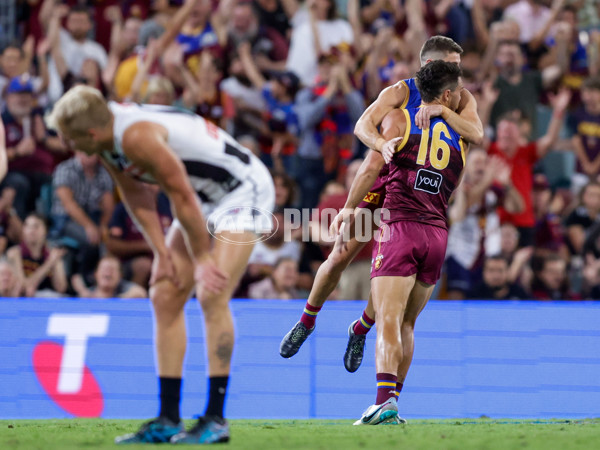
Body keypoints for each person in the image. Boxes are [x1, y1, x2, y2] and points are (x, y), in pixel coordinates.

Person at [47, 85, 274, 444]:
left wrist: (201, 259)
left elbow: (179, 194)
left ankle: (215, 418)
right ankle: (168, 417)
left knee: (212, 292)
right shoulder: (104, 136)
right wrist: (161, 252)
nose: (67, 146)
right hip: (202, 194)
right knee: (165, 294)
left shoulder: (136, 136)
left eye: (70, 139)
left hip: (242, 189)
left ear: (89, 134)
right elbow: (136, 193)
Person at [280, 36, 483, 373]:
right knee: (339, 256)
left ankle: (360, 329)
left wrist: (443, 110)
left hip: (419, 197)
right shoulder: (401, 93)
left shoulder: (458, 97)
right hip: (384, 187)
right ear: (430, 65)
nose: (458, 73)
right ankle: (307, 320)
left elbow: (476, 134)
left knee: (393, 271)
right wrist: (380, 146)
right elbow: (363, 127)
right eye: (452, 65)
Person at [349, 60, 467, 425]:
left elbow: (370, 167)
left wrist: (349, 209)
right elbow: (453, 185)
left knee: (388, 319)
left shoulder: (399, 120)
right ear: (446, 95)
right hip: (436, 232)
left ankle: (383, 401)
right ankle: (393, 401)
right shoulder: (459, 136)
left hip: (400, 226)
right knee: (407, 324)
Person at [6, 213, 67, 298]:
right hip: (24, 299)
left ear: (45, 230)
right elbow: (23, 286)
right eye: (27, 226)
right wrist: (49, 263)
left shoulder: (52, 253)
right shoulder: (14, 253)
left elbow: (61, 288)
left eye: (36, 226)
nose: (31, 230)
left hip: (48, 298)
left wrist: (55, 263)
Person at [72, 255, 147, 299]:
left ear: (120, 276)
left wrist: (117, 301)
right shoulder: (87, 295)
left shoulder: (123, 290)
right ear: (96, 274)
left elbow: (140, 293)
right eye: (104, 269)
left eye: (112, 269)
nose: (108, 272)